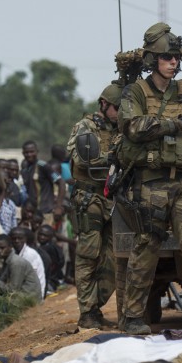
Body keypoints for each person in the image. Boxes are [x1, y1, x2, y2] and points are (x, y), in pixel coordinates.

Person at [116, 23, 182, 335]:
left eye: (176, 57)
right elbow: (133, 126)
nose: (174, 62)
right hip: (151, 184)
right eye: (167, 57)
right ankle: (132, 317)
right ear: (152, 60)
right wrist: (178, 123)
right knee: (146, 247)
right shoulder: (136, 93)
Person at [68, 82, 124, 329]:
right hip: (89, 198)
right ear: (104, 104)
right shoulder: (84, 127)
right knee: (88, 256)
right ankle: (87, 312)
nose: (120, 112)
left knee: (114, 256)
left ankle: (95, 306)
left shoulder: (120, 129)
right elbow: (81, 158)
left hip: (113, 198)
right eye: (117, 108)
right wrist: (111, 158)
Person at [0, 234, 43, 302]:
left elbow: (12, 291)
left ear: (10, 247)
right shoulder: (7, 260)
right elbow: (2, 280)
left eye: (2, 248)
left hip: (29, 300)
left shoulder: (16, 262)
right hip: (23, 297)